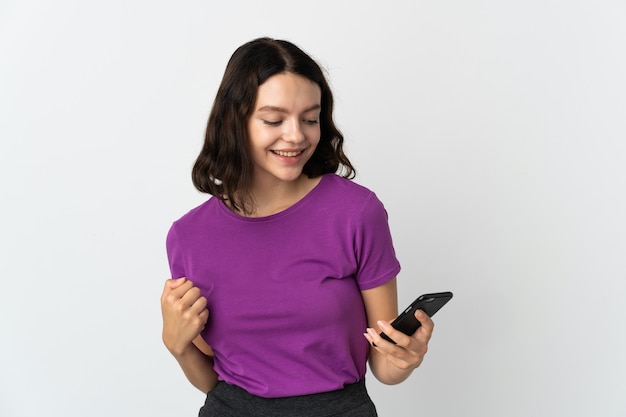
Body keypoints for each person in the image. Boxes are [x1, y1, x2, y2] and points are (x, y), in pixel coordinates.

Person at [160, 37, 435, 416]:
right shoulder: (188, 236)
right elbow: (213, 381)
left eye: (310, 119)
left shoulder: (356, 212)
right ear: (234, 121)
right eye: (274, 119)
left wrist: (405, 357)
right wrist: (178, 345)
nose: (296, 136)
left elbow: (384, 366)